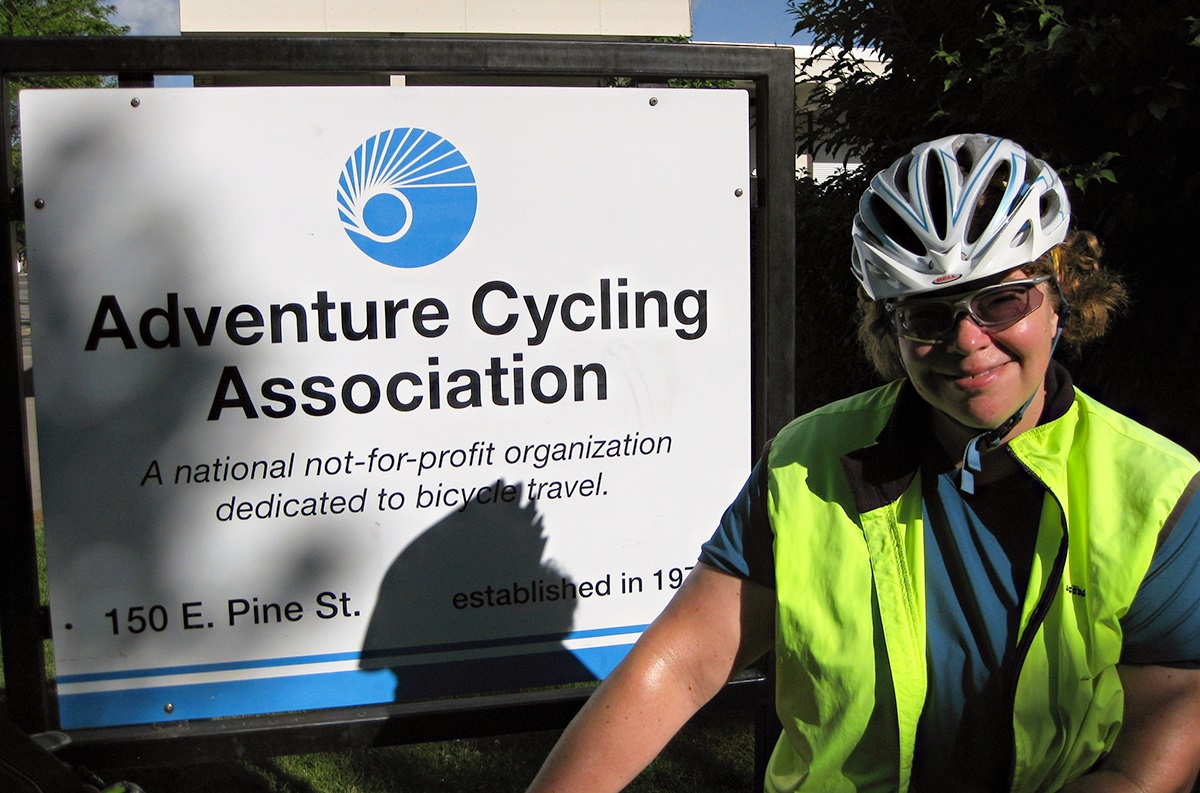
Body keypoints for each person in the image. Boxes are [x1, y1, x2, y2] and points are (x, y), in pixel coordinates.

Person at [526, 133, 1200, 792]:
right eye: (927, 316)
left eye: (1001, 299)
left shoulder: (1154, 490)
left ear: (1061, 298)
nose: (968, 340)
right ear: (891, 330)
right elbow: (680, 666)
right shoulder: (808, 462)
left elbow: (1153, 740)